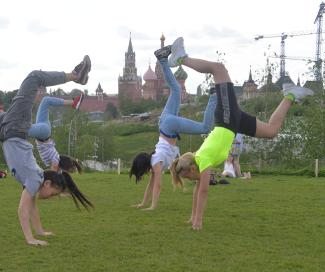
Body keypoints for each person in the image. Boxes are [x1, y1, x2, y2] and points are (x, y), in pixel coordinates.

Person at [0, 55, 94, 245]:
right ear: (47, 184)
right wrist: (30, 239)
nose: (51, 198)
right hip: (16, 126)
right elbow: (22, 210)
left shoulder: (35, 179)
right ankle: (76, 75)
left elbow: (32, 208)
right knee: (34, 77)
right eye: (54, 193)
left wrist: (40, 231)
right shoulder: (35, 178)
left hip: (7, 127)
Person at [168, 37, 314, 230]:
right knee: (271, 131)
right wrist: (192, 217)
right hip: (233, 123)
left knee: (219, 68)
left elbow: (203, 192)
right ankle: (290, 94)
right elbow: (198, 190)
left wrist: (198, 222)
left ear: (191, 170)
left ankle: (181, 58)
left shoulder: (202, 161)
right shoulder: (199, 159)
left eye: (187, 178)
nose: (191, 181)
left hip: (227, 119)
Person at [129, 45, 217, 211]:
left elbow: (158, 187)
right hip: (163, 122)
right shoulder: (155, 160)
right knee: (176, 89)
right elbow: (151, 186)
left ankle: (214, 95)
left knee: (205, 127)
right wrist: (143, 203)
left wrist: (152, 207)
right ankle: (162, 59)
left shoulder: (156, 163)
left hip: (168, 127)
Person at [0, 94, 84, 174]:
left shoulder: (57, 163)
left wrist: (72, 167)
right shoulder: (55, 161)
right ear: (63, 166)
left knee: (46, 100)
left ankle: (73, 103)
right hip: (43, 133)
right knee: (17, 126)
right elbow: (51, 173)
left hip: (45, 129)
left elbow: (56, 172)